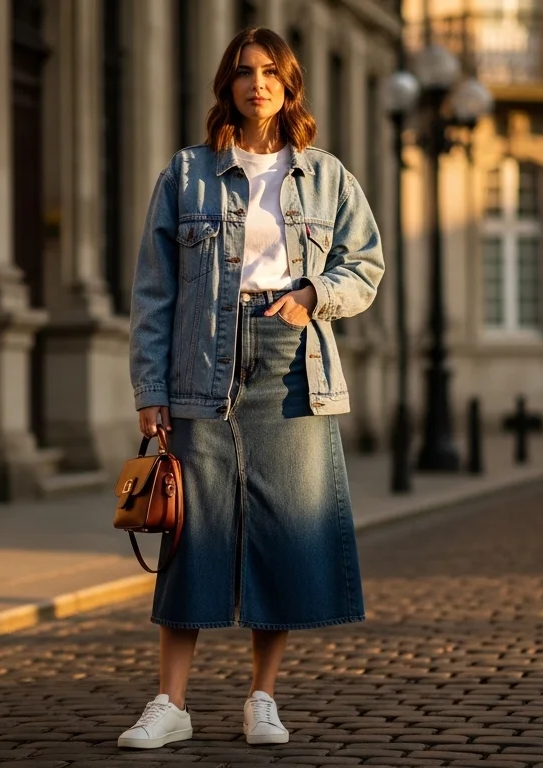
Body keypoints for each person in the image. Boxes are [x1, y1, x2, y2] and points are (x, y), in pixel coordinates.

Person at [120, 26, 384, 750]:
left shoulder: (327, 177)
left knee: (283, 534)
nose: (256, 83)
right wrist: (150, 386)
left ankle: (261, 698)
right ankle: (170, 704)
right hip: (201, 367)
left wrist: (312, 293)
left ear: (289, 85)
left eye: (270, 72)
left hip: (292, 362)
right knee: (191, 534)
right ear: (226, 85)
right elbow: (153, 290)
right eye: (244, 72)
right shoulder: (186, 174)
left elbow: (365, 267)